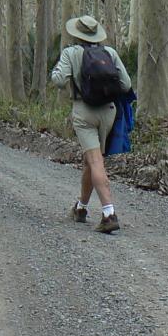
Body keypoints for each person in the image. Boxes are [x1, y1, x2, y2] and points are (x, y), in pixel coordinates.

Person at [50, 14, 132, 234]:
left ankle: (109, 214)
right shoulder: (110, 53)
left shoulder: (71, 52)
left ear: (77, 34)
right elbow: (126, 84)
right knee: (91, 159)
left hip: (84, 112)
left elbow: (59, 81)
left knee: (95, 162)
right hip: (108, 112)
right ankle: (81, 208)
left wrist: (56, 71)